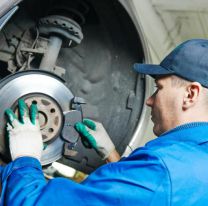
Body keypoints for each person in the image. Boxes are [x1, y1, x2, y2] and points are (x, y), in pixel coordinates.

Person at [1, 38, 208, 205]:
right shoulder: (192, 164)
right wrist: (111, 155)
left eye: (159, 88)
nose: (149, 100)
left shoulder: (161, 171)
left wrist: (25, 159)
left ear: (191, 93)